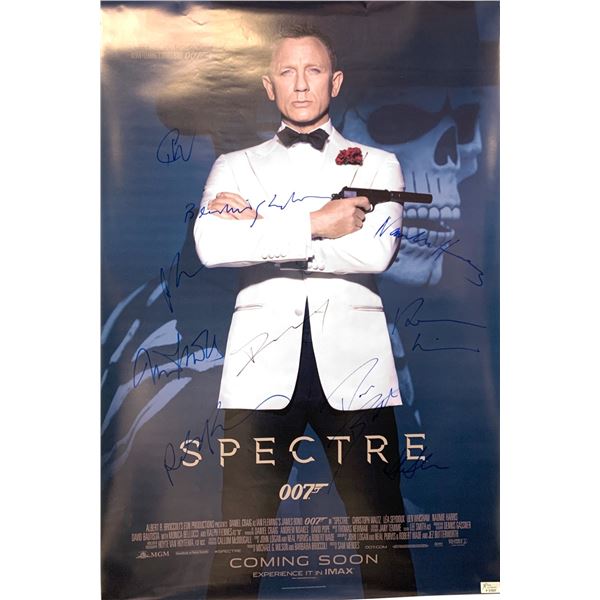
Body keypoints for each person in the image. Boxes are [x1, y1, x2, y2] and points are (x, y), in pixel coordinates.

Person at [194, 24, 417, 599]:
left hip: (358, 373)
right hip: (258, 372)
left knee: (383, 538)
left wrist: (260, 229)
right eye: (287, 72)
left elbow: (374, 252)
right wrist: (319, 223)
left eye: (313, 70)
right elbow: (212, 247)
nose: (300, 84)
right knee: (240, 541)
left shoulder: (379, 164)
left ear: (334, 82)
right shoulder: (233, 167)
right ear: (268, 85)